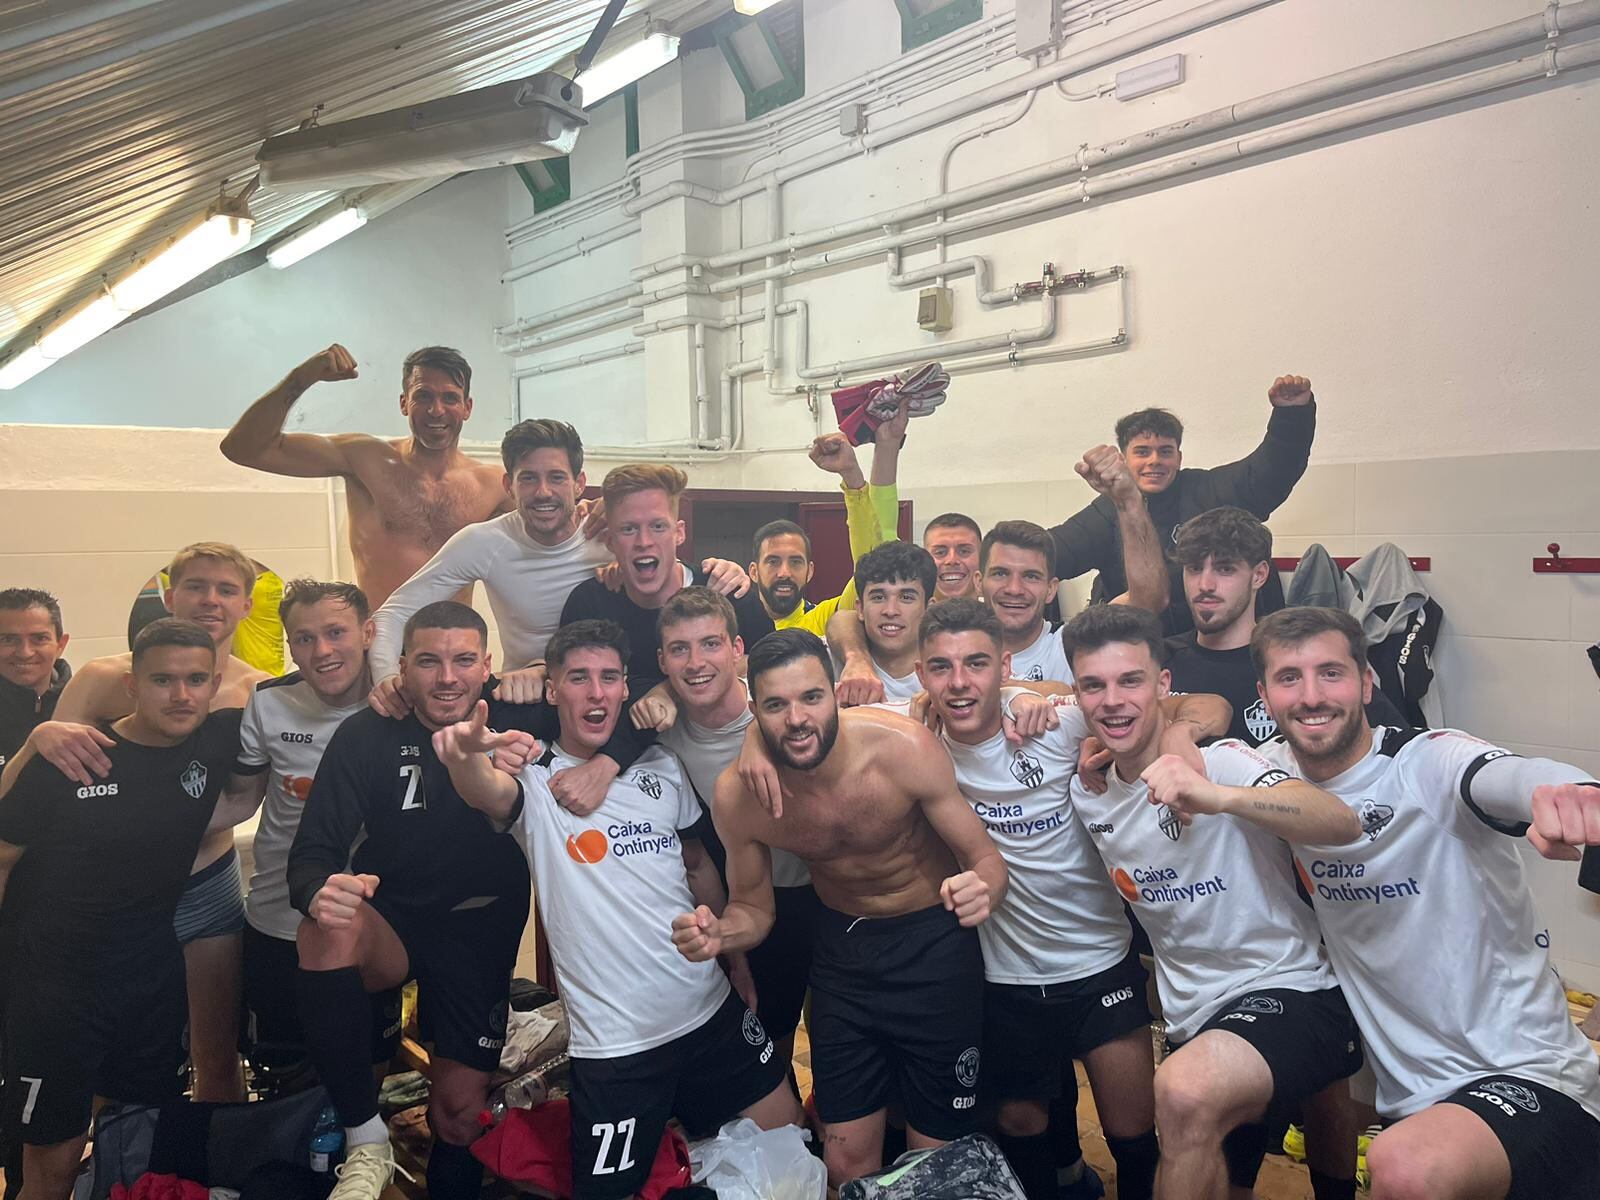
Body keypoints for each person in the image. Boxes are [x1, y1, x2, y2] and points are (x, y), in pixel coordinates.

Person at [288, 600, 651, 1199]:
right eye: (428, 662)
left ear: (487, 666)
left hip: (477, 933)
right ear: (401, 668)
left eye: (462, 660)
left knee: (457, 1113)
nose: (447, 677)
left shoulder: (521, 715)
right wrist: (319, 891)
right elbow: (311, 855)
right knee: (324, 928)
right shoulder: (368, 732)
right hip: (394, 922)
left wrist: (608, 752)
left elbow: (622, 708)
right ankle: (363, 1135)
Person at [433, 619, 800, 1199]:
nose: (596, 692)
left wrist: (738, 960)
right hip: (617, 1049)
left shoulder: (661, 767)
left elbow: (699, 866)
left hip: (709, 1015)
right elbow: (487, 791)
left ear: (626, 687)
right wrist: (460, 759)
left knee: (790, 1140)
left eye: (609, 677)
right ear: (553, 690)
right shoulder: (533, 779)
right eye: (578, 678)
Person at [1249, 606, 1600, 1200]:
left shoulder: (1426, 762)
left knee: (1405, 1166)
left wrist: (1566, 791)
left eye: (1331, 673)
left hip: (1527, 1080)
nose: (1311, 696)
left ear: (1366, 682)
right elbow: (1180, 727)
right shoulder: (1270, 778)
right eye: (1289, 678)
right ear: (1264, 695)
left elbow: (1509, 775)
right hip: (1419, 1103)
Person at [918, 599, 1232, 1200]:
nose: (959, 683)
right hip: (1003, 977)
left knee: (1132, 1130)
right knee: (1020, 1124)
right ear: (920, 673)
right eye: (941, 667)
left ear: (1004, 665)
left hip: (1098, 966)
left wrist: (1183, 734)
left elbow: (1207, 705)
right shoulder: (918, 743)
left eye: (977, 664)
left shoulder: (1057, 722)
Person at [674, 629, 1009, 1187]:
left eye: (811, 698)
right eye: (777, 705)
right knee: (845, 1162)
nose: (797, 719)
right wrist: (721, 934)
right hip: (844, 957)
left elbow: (986, 860)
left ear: (834, 694)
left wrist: (983, 890)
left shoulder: (902, 749)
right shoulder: (739, 796)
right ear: (756, 711)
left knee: (933, 1164)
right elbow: (754, 909)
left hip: (934, 947)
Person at [1061, 604, 1365, 1200]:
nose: (1113, 701)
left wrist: (1217, 796)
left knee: (1181, 1092)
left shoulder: (1221, 760)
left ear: (1163, 686)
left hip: (1288, 989)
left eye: (1131, 681)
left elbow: (1338, 821)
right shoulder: (1088, 789)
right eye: (1094, 686)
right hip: (1192, 1015)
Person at [0, 619, 268, 1200]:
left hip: (149, 983)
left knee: (141, 1146)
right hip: (56, 989)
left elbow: (312, 694)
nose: (181, 694)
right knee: (53, 1164)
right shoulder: (72, 755)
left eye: (197, 679)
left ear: (215, 682)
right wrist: (37, 737)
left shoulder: (217, 736)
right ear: (131, 686)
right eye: (162, 680)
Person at [367, 420, 748, 714]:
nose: (543, 492)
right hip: (528, 697)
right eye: (528, 478)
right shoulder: (483, 543)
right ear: (508, 484)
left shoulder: (606, 533)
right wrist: (385, 677)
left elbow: (660, 562)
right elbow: (397, 610)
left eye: (556, 478)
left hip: (619, 697)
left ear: (580, 483)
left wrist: (721, 571)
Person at [236, 580, 401, 1081]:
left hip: (371, 927)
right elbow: (238, 800)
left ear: (368, 632)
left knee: (367, 1077)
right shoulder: (268, 704)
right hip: (277, 923)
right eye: (304, 639)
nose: (322, 651)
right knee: (281, 1080)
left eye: (335, 632)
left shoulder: (401, 706)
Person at [653, 588, 820, 1077]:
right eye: (679, 649)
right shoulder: (662, 734)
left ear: (737, 650)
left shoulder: (783, 711)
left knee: (836, 1046)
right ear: (662, 660)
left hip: (830, 893)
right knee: (766, 1049)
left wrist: (757, 734)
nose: (696, 662)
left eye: (710, 644)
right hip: (749, 902)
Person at [220, 344, 510, 608]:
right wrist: (301, 378)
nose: (437, 410)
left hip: (452, 652)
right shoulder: (365, 459)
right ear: (404, 403)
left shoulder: (494, 485)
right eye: (423, 396)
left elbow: (549, 544)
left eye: (450, 398)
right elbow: (243, 449)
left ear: (467, 407)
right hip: (378, 647)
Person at [1048, 376, 1318, 633]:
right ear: (1123, 459)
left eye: (1165, 451)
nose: (1154, 460)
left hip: (1231, 650)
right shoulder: (1106, 513)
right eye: (1142, 451)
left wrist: (1291, 415)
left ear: (1179, 458)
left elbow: (1271, 472)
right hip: (1148, 653)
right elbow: (1050, 553)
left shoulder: (1212, 492)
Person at [1165, 508, 1403, 744]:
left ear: (1259, 575)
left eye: (1225, 569)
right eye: (1194, 569)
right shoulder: (1158, 660)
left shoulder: (1296, 662)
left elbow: (1400, 748)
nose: (1205, 584)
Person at [560, 465, 763, 702]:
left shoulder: (729, 592)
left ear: (679, 533)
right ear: (609, 540)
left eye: (658, 526)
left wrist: (669, 690)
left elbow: (774, 670)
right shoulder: (587, 607)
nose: (644, 542)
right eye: (628, 529)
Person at [745, 405, 906, 640]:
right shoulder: (731, 622)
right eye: (772, 561)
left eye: (796, 562)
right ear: (753, 571)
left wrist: (852, 475)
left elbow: (874, 562)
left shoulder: (827, 620)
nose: (784, 572)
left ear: (810, 571)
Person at [0, 590, 71, 771]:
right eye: (8, 639)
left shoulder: (92, 707)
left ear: (60, 645)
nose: (25, 653)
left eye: (39, 639)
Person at [924, 512, 983, 603]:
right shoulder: (904, 617)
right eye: (940, 552)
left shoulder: (1003, 617)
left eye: (964, 551)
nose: (952, 560)